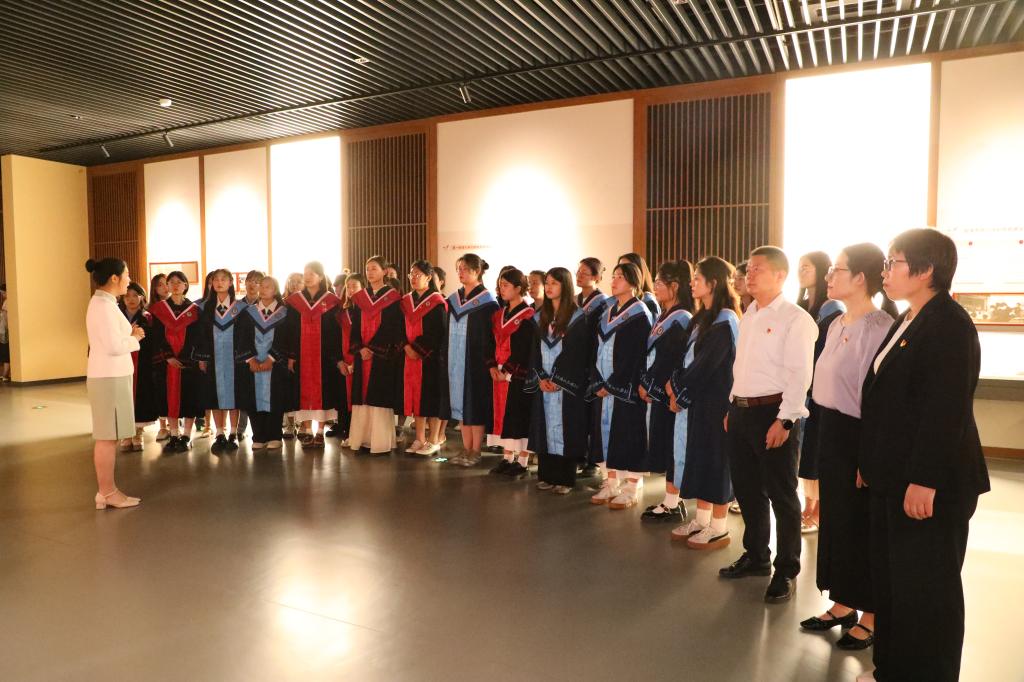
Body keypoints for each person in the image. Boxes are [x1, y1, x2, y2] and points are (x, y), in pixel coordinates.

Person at [857, 229, 990, 682]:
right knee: (895, 584)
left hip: (931, 483)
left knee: (929, 591)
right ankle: (892, 669)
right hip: (893, 475)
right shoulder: (910, 317)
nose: (885, 272)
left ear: (926, 269)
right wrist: (870, 464)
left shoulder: (950, 324)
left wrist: (925, 479)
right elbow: (886, 400)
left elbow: (945, 410)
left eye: (893, 262)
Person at [799, 243, 895, 650]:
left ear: (860, 278)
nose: (829, 276)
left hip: (859, 433)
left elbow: (877, 396)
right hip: (830, 427)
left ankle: (871, 613)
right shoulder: (837, 322)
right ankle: (842, 603)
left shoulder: (879, 326)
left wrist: (867, 455)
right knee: (837, 520)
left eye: (837, 270)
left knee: (861, 524)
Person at [719, 246, 817, 606]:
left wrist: (786, 419)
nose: (749, 275)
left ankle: (786, 569)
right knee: (747, 489)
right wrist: (733, 403)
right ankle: (757, 555)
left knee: (782, 494)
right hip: (742, 411)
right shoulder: (749, 313)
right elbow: (742, 366)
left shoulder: (795, 319)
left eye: (757, 269)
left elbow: (799, 375)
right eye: (748, 269)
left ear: (780, 276)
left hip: (774, 413)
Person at [667, 257, 741, 549]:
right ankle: (701, 519)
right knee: (699, 457)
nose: (692, 282)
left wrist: (679, 391)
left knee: (716, 461)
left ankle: (719, 527)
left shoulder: (726, 320)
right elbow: (683, 357)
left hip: (717, 402)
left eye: (697, 278)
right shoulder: (702, 317)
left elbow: (707, 365)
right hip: (698, 400)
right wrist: (675, 385)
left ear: (714, 282)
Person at [588, 262, 653, 509]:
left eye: (620, 277)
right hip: (603, 386)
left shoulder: (640, 314)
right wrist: (597, 380)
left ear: (633, 282)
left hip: (626, 389)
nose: (613, 281)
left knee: (629, 435)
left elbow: (636, 356)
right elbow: (594, 350)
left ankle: (631, 487)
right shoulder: (607, 313)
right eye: (613, 276)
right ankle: (610, 482)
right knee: (604, 434)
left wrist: (613, 383)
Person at [84, 258, 144, 509]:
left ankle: (108, 491)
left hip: (112, 375)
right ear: (114, 278)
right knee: (107, 437)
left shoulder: (106, 303)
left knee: (109, 437)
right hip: (108, 377)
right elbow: (113, 346)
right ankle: (107, 492)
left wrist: (129, 335)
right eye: (126, 274)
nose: (129, 279)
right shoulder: (103, 306)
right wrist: (135, 337)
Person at [638, 260, 694, 522]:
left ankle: (673, 501)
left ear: (675, 286)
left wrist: (651, 383)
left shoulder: (682, 318)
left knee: (673, 445)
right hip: (659, 389)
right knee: (665, 444)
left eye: (660, 283)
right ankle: (670, 499)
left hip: (670, 392)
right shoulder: (665, 314)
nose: (656, 287)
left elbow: (670, 358)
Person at [527, 267, 590, 494]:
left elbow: (577, 354)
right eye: (547, 283)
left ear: (565, 286)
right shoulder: (539, 317)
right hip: (544, 384)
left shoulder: (577, 317)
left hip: (565, 386)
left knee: (566, 429)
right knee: (544, 428)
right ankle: (547, 475)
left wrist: (558, 379)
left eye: (554, 283)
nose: (549, 287)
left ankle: (565, 479)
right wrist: (541, 377)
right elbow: (534, 350)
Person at [796, 251, 845, 533]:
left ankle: (819, 510)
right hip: (803, 389)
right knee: (806, 451)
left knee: (816, 451)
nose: (802, 272)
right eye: (800, 267)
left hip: (821, 392)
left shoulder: (833, 310)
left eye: (807, 267)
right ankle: (808, 504)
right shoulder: (802, 306)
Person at [282, 262, 342, 449]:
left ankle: (320, 431)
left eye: (312, 274)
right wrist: (291, 355)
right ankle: (307, 429)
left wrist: (336, 357)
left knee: (324, 391)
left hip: (324, 355)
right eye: (305, 273)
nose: (307, 277)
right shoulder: (295, 301)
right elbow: (290, 331)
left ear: (321, 277)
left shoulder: (332, 302)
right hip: (301, 355)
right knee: (302, 391)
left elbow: (335, 332)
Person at [447, 253, 499, 467]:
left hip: (476, 362)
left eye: (465, 269)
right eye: (459, 268)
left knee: (474, 405)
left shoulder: (488, 303)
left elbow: (491, 337)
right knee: (460, 404)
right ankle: (466, 447)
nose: (461, 272)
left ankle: (476, 450)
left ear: (477, 272)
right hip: (454, 361)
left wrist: (489, 362)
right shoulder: (454, 299)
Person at [348, 256, 404, 455]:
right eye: (367, 269)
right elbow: (355, 327)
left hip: (381, 356)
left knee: (378, 395)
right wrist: (360, 348)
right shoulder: (360, 298)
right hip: (362, 355)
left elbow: (392, 327)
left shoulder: (393, 297)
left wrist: (372, 348)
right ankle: (362, 439)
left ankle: (379, 441)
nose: (370, 272)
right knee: (362, 397)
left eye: (374, 268)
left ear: (385, 271)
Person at [487, 267, 538, 479]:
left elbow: (525, 349)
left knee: (519, 416)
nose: (502, 289)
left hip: (517, 374)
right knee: (502, 415)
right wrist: (492, 366)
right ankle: (507, 457)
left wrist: (507, 370)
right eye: (500, 285)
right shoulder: (498, 315)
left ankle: (522, 461)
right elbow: (489, 343)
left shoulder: (528, 316)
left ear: (518, 288)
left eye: (506, 285)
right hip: (497, 373)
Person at [149, 270, 204, 453]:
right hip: (166, 363)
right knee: (168, 397)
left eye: (179, 282)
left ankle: (187, 436)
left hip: (188, 362)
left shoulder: (194, 311)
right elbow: (157, 336)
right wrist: (169, 356)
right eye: (171, 282)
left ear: (185, 285)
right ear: (168, 285)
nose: (175, 285)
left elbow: (197, 337)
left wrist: (185, 356)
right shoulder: (159, 309)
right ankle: (173, 434)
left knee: (189, 398)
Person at [195, 269, 249, 454]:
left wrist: (242, 356)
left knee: (235, 395)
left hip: (234, 359)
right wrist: (202, 358)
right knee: (214, 395)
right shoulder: (205, 307)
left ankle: (233, 432)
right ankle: (219, 433)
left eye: (223, 279)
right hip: (213, 358)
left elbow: (244, 335)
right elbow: (201, 335)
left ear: (230, 283)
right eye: (215, 279)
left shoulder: (240, 308)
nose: (219, 282)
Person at [235, 276, 290, 450]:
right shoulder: (249, 312)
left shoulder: (284, 313)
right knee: (253, 399)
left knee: (275, 398)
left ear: (275, 290)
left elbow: (286, 339)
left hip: (275, 365)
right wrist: (250, 359)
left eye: (268, 287)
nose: (264, 289)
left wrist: (271, 358)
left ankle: (275, 436)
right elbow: (241, 338)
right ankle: (258, 436)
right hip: (253, 364)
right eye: (262, 286)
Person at [400, 261, 450, 456]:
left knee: (432, 398)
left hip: (431, 358)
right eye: (411, 274)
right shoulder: (406, 301)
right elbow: (398, 327)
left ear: (429, 278)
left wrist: (417, 349)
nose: (413, 278)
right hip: (409, 357)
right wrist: (406, 346)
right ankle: (419, 438)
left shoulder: (437, 302)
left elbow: (439, 331)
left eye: (418, 274)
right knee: (417, 399)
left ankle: (434, 439)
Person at [575, 257, 610, 478]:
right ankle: (578, 454)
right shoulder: (575, 300)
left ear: (596, 277)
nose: (579, 276)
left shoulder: (602, 303)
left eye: (584, 273)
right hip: (575, 364)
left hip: (592, 363)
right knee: (578, 413)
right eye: (578, 272)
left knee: (591, 414)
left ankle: (593, 460)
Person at [119, 282, 157, 451]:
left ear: (142, 297)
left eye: (135, 295)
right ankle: (126, 433)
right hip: (120, 361)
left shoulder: (148, 318)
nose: (131, 299)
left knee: (141, 396)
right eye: (127, 296)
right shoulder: (117, 316)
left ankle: (138, 433)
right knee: (122, 396)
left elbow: (152, 342)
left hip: (142, 363)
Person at [335, 273, 366, 447]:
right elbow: (334, 338)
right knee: (344, 399)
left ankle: (361, 435)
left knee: (359, 397)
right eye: (349, 287)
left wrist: (356, 361)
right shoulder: (341, 312)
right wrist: (339, 361)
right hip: (343, 360)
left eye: (355, 286)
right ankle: (347, 432)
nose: (351, 290)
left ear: (363, 288)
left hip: (361, 359)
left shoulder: (366, 311)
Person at [236, 269, 265, 440]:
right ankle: (240, 428)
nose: (252, 284)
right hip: (243, 355)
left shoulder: (267, 305)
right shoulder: (236, 306)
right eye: (249, 280)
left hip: (263, 355)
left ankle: (262, 430)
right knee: (244, 392)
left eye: (257, 281)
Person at [148, 274, 170, 440]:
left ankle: (175, 425)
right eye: (160, 285)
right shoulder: (151, 310)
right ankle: (163, 427)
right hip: (158, 357)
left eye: (166, 283)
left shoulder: (179, 306)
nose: (164, 287)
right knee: (161, 391)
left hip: (177, 355)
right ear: (154, 289)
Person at [618, 252, 660, 317]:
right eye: (620, 267)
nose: (621, 272)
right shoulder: (615, 302)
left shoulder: (648, 301)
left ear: (638, 272)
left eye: (627, 268)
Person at [1, 283, 11, 382]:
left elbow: (6, 317)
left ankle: (5, 375)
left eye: (3, 293)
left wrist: (8, 329)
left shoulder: (7, 302)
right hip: (5, 332)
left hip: (5, 332)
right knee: (5, 352)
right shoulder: (8, 301)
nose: (3, 295)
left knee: (6, 353)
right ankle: (5, 374)